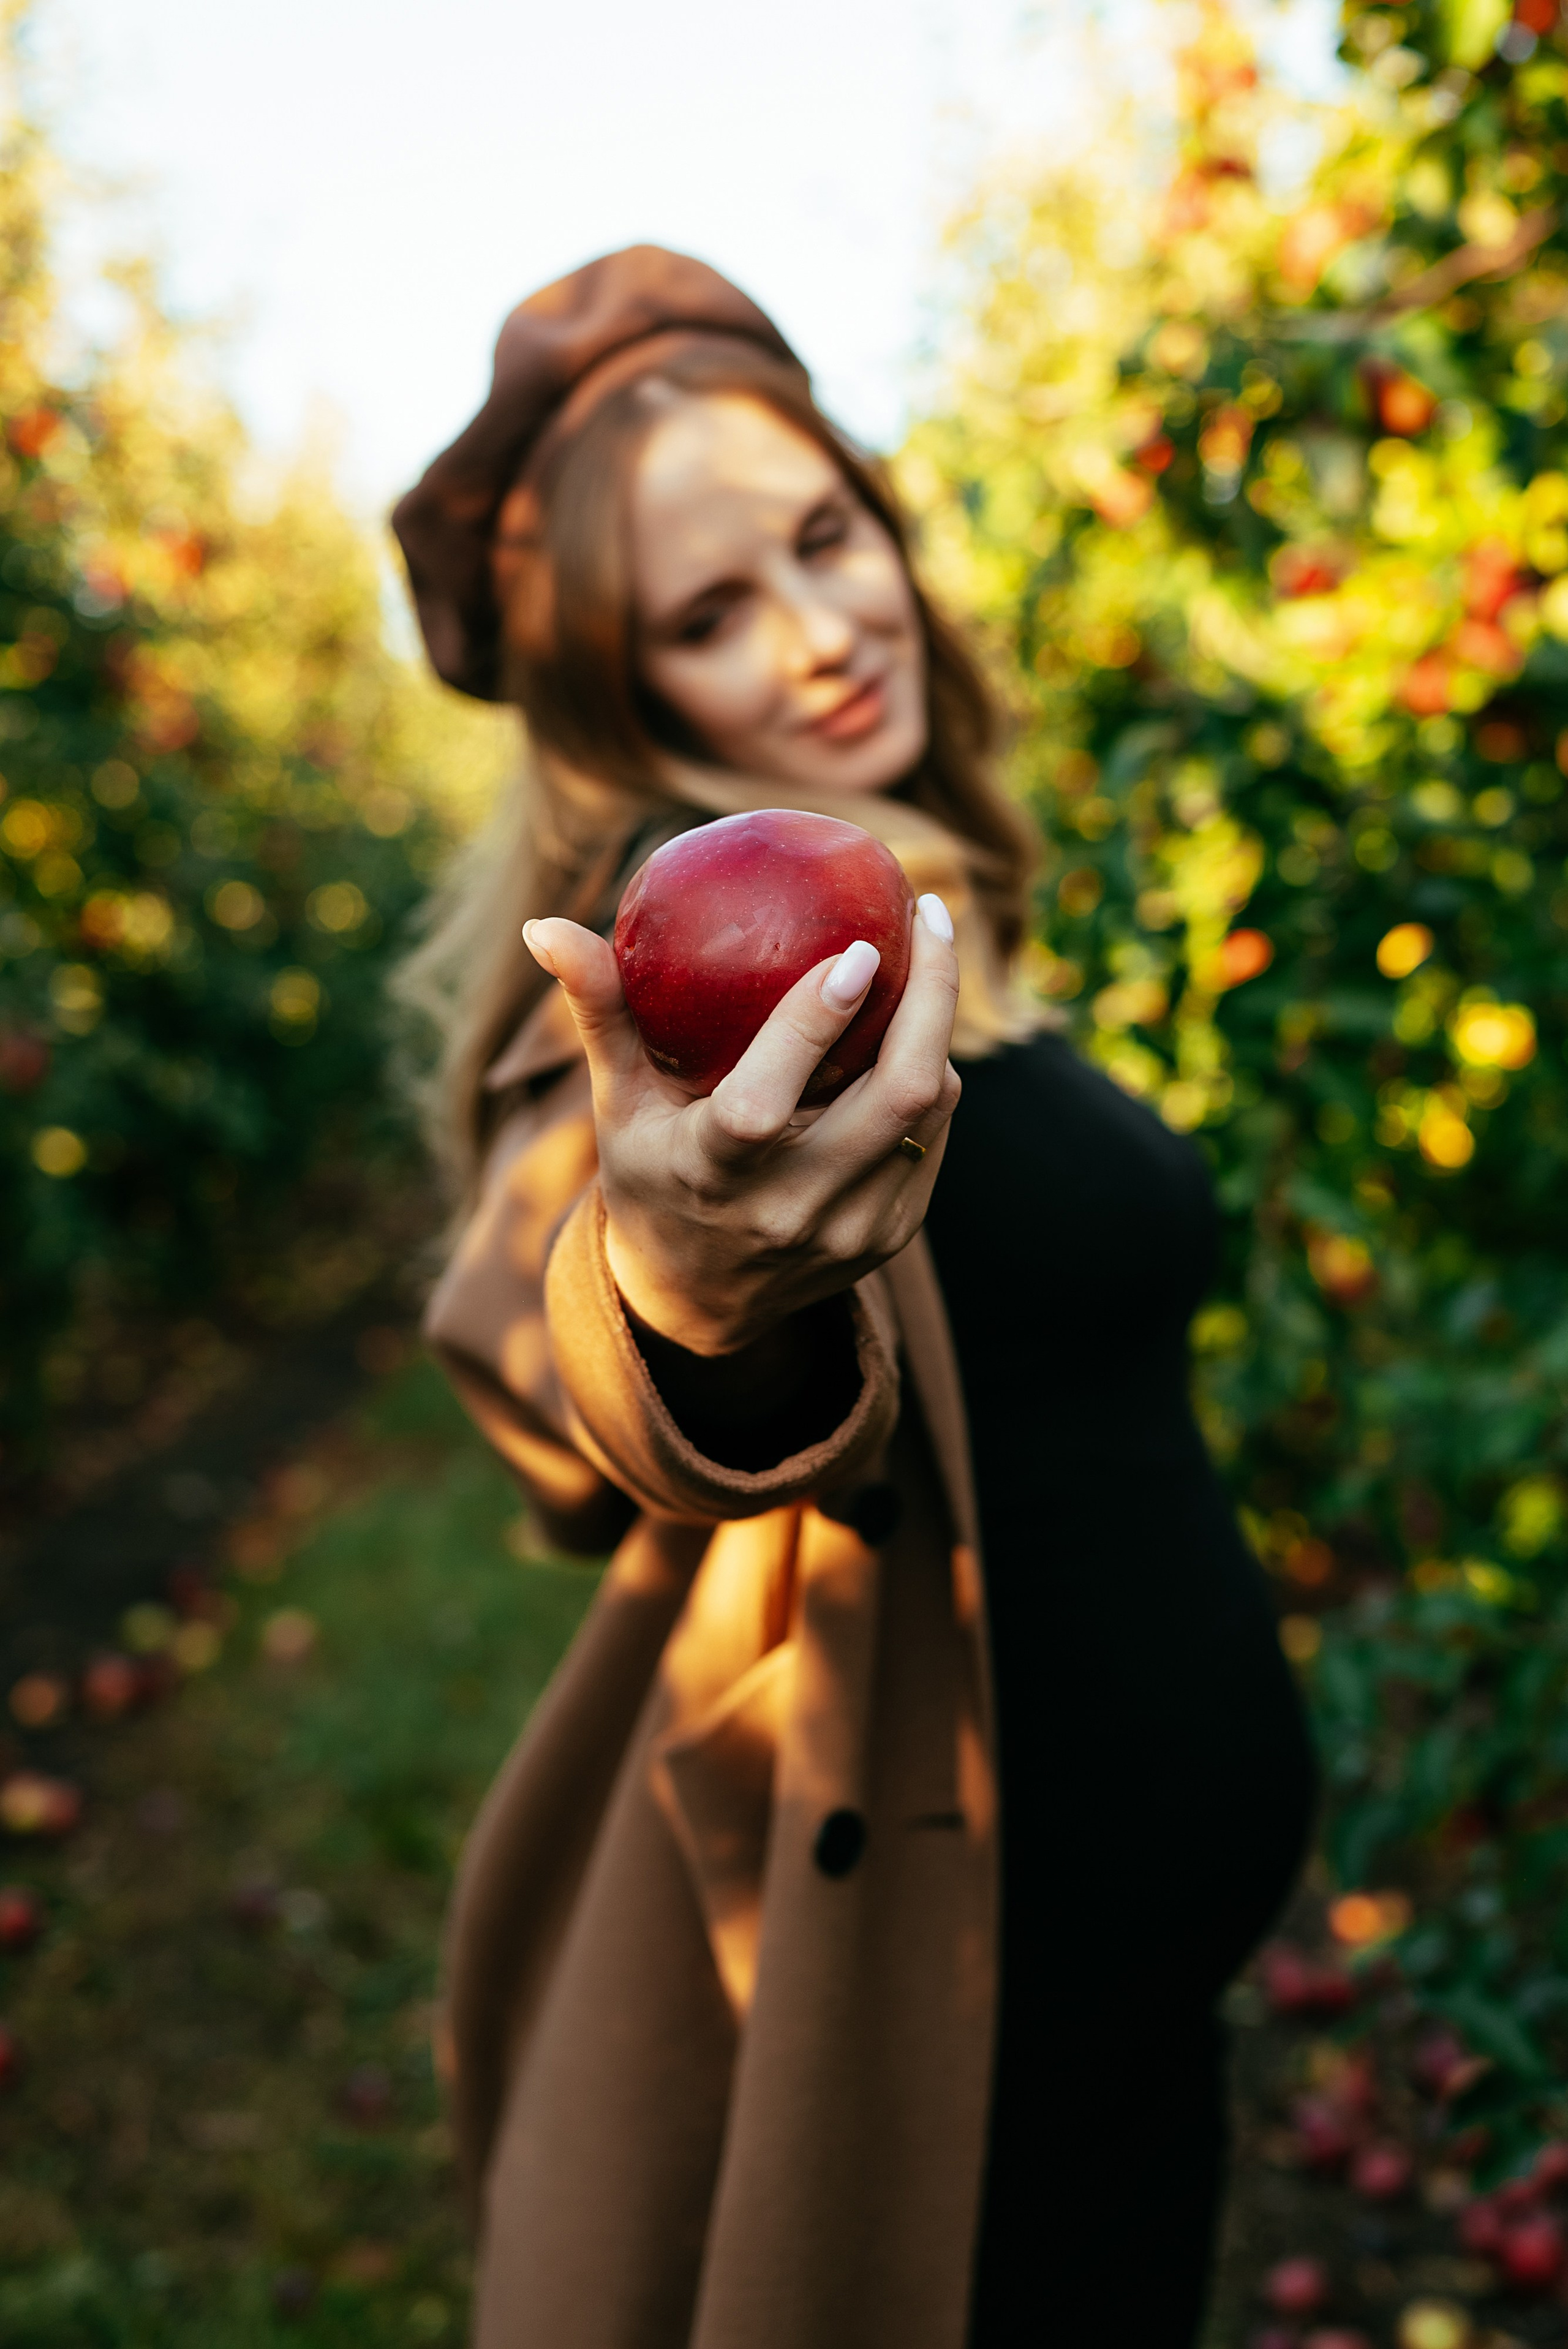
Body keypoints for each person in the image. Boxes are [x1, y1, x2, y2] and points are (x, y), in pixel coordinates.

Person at [392, 246, 1316, 2349]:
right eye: (711, 616)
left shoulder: (925, 898)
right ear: (628, 697)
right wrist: (685, 1289)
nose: (820, 633)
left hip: (1113, 2017)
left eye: (826, 535)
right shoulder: (684, 988)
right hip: (947, 2009)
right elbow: (554, 1313)